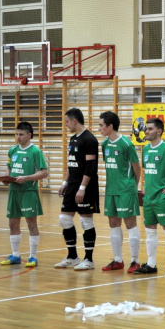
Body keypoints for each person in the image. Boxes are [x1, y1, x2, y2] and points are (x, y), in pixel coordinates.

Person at [133, 117, 165, 276]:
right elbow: (149, 171)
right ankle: (151, 264)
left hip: (163, 197)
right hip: (149, 198)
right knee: (150, 232)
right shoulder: (146, 149)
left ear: (159, 131)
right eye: (146, 129)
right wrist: (145, 187)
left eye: (150, 129)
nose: (146, 131)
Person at [54, 108, 101, 270]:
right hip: (72, 186)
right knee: (64, 219)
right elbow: (72, 164)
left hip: (86, 187)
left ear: (74, 121)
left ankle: (89, 260)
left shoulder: (90, 140)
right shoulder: (73, 139)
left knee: (85, 220)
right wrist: (65, 183)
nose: (65, 125)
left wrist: (82, 188)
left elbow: (90, 167)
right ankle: (72, 256)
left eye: (67, 122)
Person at [98, 111, 142, 273]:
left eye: (101, 125)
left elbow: (137, 168)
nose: (99, 128)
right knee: (113, 223)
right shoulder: (104, 144)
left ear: (110, 126)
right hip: (111, 190)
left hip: (126, 191)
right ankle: (118, 260)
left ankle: (135, 261)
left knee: (130, 224)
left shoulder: (126, 144)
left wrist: (132, 187)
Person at [0, 122, 49, 267]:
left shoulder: (35, 152)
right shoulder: (12, 150)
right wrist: (7, 178)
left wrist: (26, 178)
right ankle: (15, 255)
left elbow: (44, 172)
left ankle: (33, 257)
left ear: (29, 135)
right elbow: (9, 167)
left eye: (21, 134)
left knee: (31, 223)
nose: (18, 137)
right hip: (13, 192)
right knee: (12, 223)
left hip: (28, 192)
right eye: (16, 134)